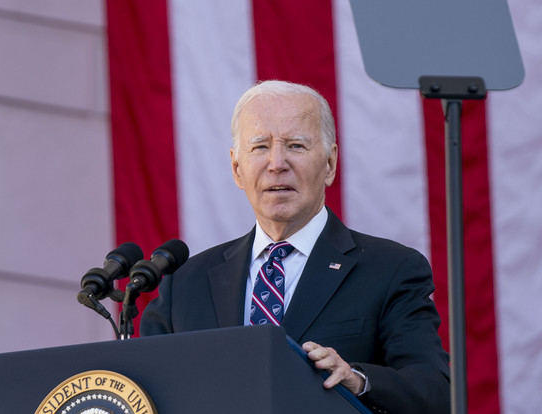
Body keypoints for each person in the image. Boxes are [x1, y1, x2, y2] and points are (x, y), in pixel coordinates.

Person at [139, 80, 450, 414]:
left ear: (329, 163)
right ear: (237, 169)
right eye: (259, 147)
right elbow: (146, 391)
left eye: (296, 146)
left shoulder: (391, 269)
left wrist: (356, 379)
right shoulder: (184, 283)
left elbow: (435, 392)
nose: (277, 163)